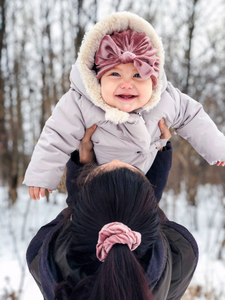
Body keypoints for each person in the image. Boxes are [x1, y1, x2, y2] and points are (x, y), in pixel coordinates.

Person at [23, 11, 225, 200]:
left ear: (153, 80)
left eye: (138, 75)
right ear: (97, 79)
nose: (127, 84)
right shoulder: (80, 102)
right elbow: (56, 134)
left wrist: (217, 148)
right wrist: (42, 174)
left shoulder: (166, 99)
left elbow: (193, 117)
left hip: (144, 187)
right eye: (115, 74)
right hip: (94, 186)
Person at [26, 125, 198, 300]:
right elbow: (72, 217)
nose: (115, 160)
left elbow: (64, 225)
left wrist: (82, 163)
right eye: (139, 169)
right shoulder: (179, 259)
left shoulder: (45, 258)